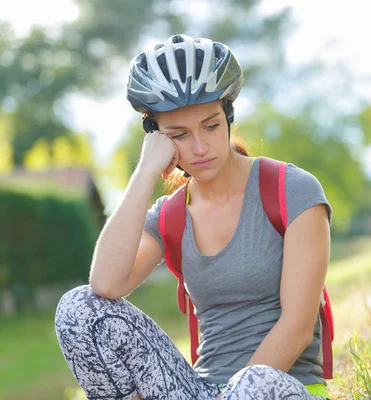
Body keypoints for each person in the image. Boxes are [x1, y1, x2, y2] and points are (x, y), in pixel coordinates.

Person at [54, 34, 332, 400]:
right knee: (78, 309)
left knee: (254, 384)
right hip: (200, 389)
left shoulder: (292, 190)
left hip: (278, 387)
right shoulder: (171, 215)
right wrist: (144, 174)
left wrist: (234, 394)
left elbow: (297, 329)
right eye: (179, 135)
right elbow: (106, 285)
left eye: (211, 126)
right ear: (157, 137)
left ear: (229, 116)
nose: (200, 148)